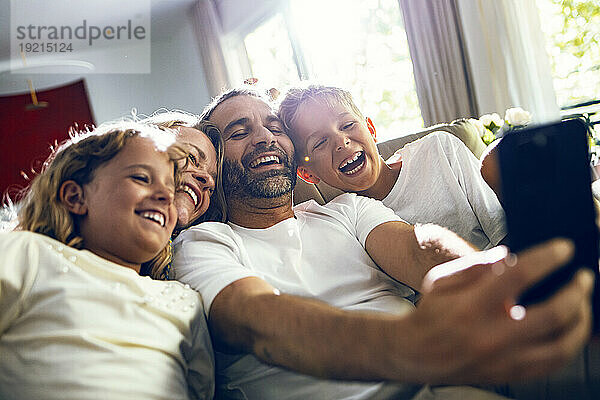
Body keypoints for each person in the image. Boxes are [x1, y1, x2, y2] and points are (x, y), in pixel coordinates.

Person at [172, 87, 593, 400]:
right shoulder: (203, 242)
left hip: (438, 383)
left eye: (274, 127)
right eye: (240, 132)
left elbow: (416, 247)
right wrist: (415, 346)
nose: (265, 138)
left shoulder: (345, 210)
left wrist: (492, 282)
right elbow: (258, 320)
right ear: (215, 160)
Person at [0, 121, 214, 400]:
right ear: (76, 196)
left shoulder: (184, 300)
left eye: (171, 188)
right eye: (141, 178)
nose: (165, 196)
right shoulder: (30, 253)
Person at [278, 84, 506, 250]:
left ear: (371, 130)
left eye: (347, 125)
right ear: (308, 174)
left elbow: (501, 230)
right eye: (320, 142)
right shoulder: (346, 223)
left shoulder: (439, 149)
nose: (341, 142)